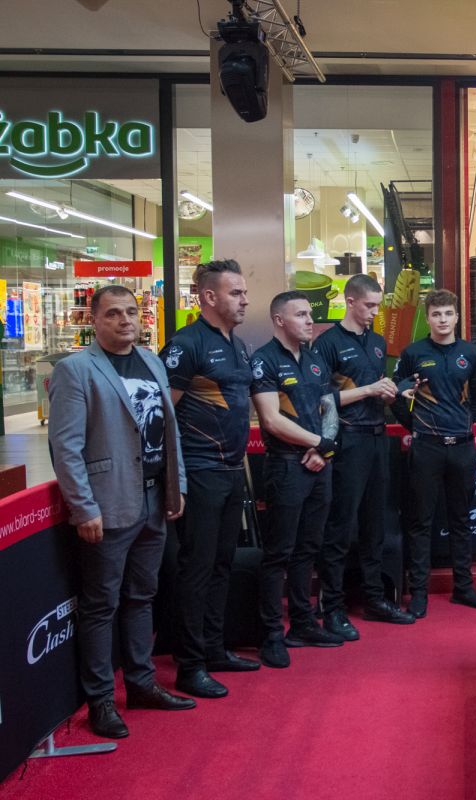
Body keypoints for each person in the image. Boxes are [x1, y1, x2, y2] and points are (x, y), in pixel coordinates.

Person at [49, 285, 194, 739]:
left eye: (131, 312)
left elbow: (170, 431)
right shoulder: (76, 370)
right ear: (94, 320)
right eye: (113, 313)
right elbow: (66, 447)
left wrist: (177, 485)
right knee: (100, 606)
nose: (125, 320)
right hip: (107, 503)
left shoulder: (152, 361)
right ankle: (101, 701)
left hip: (154, 500)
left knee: (141, 597)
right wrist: (83, 507)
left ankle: (141, 683)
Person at [160, 259, 258, 700]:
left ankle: (214, 649)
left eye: (244, 292)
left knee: (222, 564)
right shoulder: (186, 345)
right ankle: (190, 665)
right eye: (236, 293)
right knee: (196, 570)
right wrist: (172, 479)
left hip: (232, 470)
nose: (245, 300)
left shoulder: (239, 346)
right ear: (209, 297)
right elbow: (162, 415)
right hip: (199, 473)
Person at [313, 274, 414, 640]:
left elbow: (373, 391)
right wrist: (370, 389)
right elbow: (321, 400)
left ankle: (374, 598)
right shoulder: (327, 343)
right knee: (340, 526)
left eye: (378, 305)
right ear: (350, 301)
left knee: (375, 525)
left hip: (377, 436)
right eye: (369, 305)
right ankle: (332, 607)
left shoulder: (376, 342)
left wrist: (391, 393)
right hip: (346, 439)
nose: (374, 312)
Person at [250, 292, 344, 668]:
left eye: (309, 314)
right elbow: (271, 420)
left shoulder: (315, 359)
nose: (310, 321)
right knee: (279, 553)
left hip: (320, 464)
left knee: (309, 548)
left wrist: (325, 449)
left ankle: (303, 623)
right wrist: (317, 443)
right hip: (285, 466)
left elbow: (330, 408)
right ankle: (272, 633)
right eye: (301, 315)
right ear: (279, 320)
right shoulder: (264, 360)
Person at [394, 289, 476, 617]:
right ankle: (419, 593)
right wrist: (415, 426)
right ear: (428, 318)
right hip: (426, 447)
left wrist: (466, 424)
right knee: (420, 522)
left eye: (448, 313)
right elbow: (397, 395)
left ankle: (463, 587)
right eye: (436, 314)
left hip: (462, 447)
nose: (442, 320)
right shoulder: (413, 353)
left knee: (461, 520)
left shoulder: (470, 353)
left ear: (457, 317)